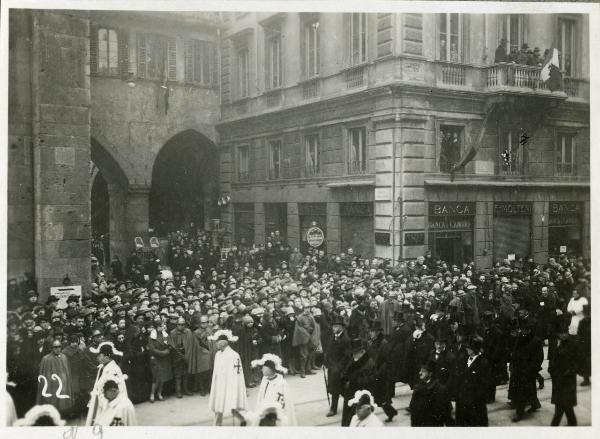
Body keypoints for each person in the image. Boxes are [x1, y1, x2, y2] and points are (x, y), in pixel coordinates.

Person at [208, 329, 247, 426]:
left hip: (230, 383)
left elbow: (237, 372)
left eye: (217, 342)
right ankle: (217, 423)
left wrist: (232, 385)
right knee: (219, 403)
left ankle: (242, 419)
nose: (216, 344)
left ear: (223, 343)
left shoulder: (233, 355)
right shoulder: (218, 354)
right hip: (220, 383)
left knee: (231, 402)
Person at [85, 341, 128, 426]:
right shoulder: (103, 367)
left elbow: (115, 393)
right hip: (103, 404)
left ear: (107, 356)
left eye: (99, 356)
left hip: (110, 407)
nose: (97, 358)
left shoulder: (113, 370)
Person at [251, 353, 297, 425]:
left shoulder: (282, 384)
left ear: (271, 368)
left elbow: (285, 406)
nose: (261, 369)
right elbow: (260, 399)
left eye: (264, 366)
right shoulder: (265, 379)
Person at [549, 315, 578, 426]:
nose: (562, 336)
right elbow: (554, 359)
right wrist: (552, 370)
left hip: (567, 382)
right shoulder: (557, 343)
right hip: (559, 382)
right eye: (560, 334)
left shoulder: (572, 344)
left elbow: (577, 362)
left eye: (564, 333)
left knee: (562, 410)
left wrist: (568, 372)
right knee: (566, 410)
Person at [455, 336, 490, 426]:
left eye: (469, 348)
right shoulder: (464, 359)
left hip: (475, 399)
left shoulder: (483, 362)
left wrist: (475, 396)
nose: (466, 349)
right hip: (463, 397)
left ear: (474, 349)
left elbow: (485, 383)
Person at [340, 339, 376, 427]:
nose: (353, 355)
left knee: (356, 421)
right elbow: (346, 371)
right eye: (353, 352)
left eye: (356, 352)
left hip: (360, 397)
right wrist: (344, 379)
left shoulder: (369, 363)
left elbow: (369, 381)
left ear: (362, 352)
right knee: (347, 419)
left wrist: (352, 382)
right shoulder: (354, 359)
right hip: (350, 394)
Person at [168, 316, 205, 398]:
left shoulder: (188, 332)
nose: (181, 326)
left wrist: (187, 356)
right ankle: (178, 391)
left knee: (186, 374)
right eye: (179, 324)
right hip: (177, 355)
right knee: (178, 375)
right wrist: (178, 354)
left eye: (183, 324)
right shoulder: (172, 333)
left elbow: (191, 344)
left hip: (187, 355)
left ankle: (186, 389)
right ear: (176, 325)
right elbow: (171, 345)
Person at [409, 360, 454, 426]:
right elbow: (412, 407)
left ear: (430, 373)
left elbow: (446, 411)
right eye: (420, 371)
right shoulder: (418, 387)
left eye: (423, 371)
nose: (420, 373)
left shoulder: (439, 389)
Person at [36, 338, 74, 416]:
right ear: (51, 348)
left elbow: (67, 372)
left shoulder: (64, 357)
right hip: (52, 385)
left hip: (63, 384)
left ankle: (62, 414)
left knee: (62, 402)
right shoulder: (46, 359)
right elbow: (44, 376)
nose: (57, 349)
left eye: (59, 347)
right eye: (55, 347)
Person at [325, 315, 351, 417]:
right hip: (332, 368)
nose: (333, 328)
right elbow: (328, 351)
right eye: (333, 326)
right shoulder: (332, 337)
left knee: (344, 390)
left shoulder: (346, 339)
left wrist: (338, 367)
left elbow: (347, 356)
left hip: (341, 370)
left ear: (341, 327)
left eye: (336, 326)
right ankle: (333, 408)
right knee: (334, 389)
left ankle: (350, 406)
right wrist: (325, 361)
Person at [146, 321, 173, 402]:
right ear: (156, 327)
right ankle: (152, 394)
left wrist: (167, 351)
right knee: (156, 378)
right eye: (160, 326)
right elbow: (152, 349)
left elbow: (170, 345)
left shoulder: (166, 335)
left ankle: (159, 393)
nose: (162, 328)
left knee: (163, 377)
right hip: (156, 359)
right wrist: (162, 353)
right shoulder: (151, 337)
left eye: (162, 326)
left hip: (164, 359)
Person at [577, 304, 591, 386]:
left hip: (584, 345)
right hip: (588, 344)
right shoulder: (589, 320)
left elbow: (580, 334)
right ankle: (587, 379)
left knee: (585, 362)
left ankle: (586, 379)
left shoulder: (583, 322)